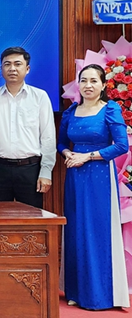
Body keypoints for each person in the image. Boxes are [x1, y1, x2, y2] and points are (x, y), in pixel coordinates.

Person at [58, 64, 129, 310]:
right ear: (78, 84)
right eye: (83, 80)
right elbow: (61, 144)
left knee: (98, 230)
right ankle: (76, 291)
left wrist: (87, 157)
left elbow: (121, 146)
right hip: (75, 177)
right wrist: (68, 153)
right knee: (76, 230)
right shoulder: (70, 112)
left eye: (93, 81)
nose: (88, 85)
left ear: (103, 85)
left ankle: (101, 295)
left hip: (100, 177)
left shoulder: (110, 109)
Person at [0, 46, 56, 208]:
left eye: (17, 64)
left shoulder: (40, 97)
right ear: (1, 69)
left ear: (27, 69)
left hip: (30, 170)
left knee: (31, 220)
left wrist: (46, 171)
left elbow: (48, 137)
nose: (12, 68)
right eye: (7, 64)